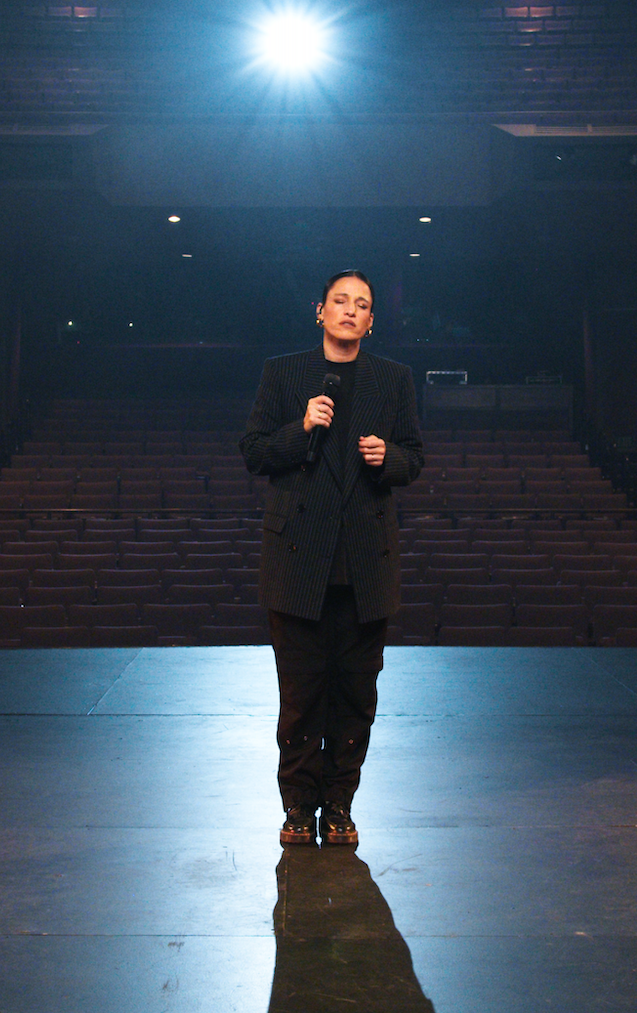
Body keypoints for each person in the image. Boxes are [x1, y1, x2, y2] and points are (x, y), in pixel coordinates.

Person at [240, 269, 424, 847]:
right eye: (340, 301)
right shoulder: (284, 373)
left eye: (362, 304)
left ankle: (340, 807)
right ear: (320, 311)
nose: (350, 310)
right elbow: (254, 452)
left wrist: (387, 456)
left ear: (372, 322)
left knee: (354, 698)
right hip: (298, 563)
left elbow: (414, 459)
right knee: (300, 697)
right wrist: (300, 428)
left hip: (364, 565)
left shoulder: (393, 379)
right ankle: (298, 809)